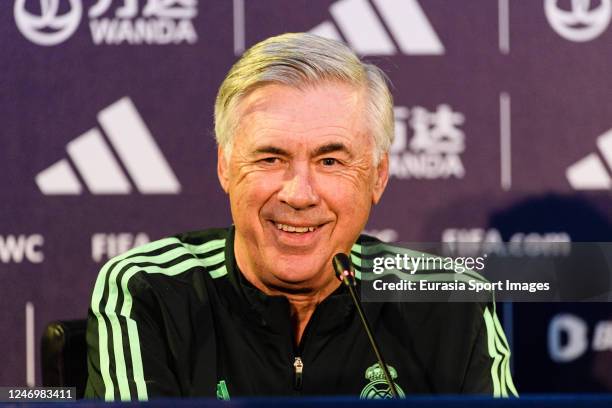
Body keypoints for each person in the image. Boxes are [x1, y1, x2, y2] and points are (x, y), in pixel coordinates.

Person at [85, 32, 517, 400]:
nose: (299, 194)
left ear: (378, 176)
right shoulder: (151, 290)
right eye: (271, 159)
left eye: (330, 162)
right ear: (225, 167)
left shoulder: (450, 302)